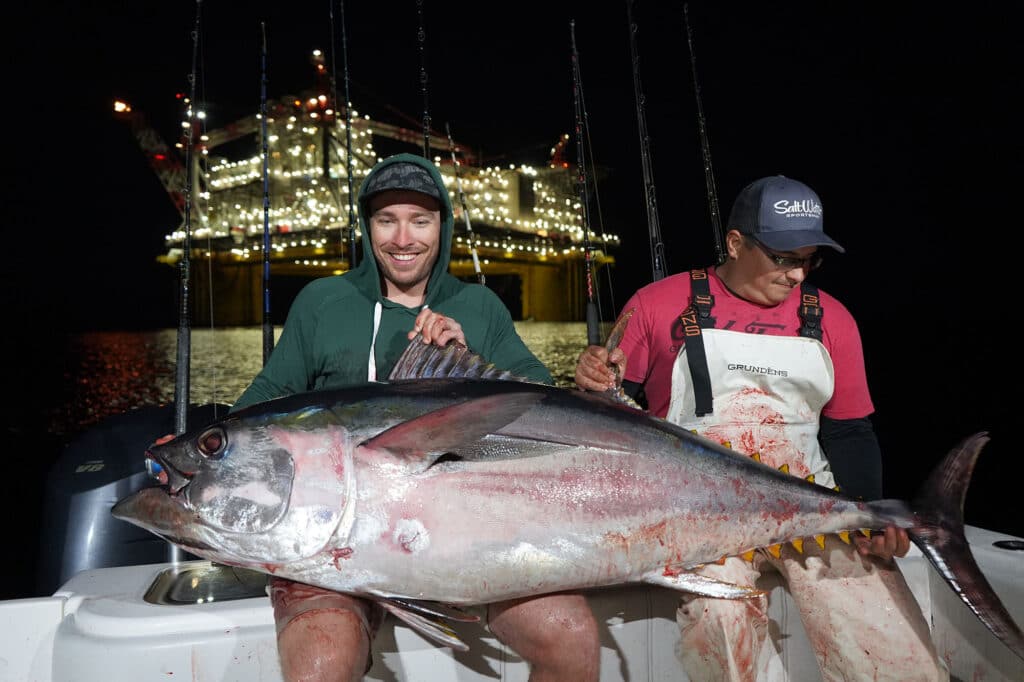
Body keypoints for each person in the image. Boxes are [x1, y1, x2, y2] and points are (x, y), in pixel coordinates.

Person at [230, 152, 600, 682]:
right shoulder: (323, 301)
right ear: (367, 226)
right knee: (322, 666)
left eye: (420, 220)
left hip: (466, 530)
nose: (403, 238)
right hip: (333, 541)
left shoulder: (480, 306)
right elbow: (269, 396)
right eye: (387, 220)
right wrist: (211, 446)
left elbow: (543, 401)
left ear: (442, 226)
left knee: (570, 638)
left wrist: (468, 358)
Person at [575, 175, 947, 681]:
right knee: (720, 623)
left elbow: (849, 432)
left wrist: (867, 514)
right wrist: (591, 379)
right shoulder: (657, 304)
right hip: (698, 517)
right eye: (783, 258)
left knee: (889, 641)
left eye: (808, 259)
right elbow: (607, 414)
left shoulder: (832, 318)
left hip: (810, 507)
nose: (797, 274)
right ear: (735, 243)